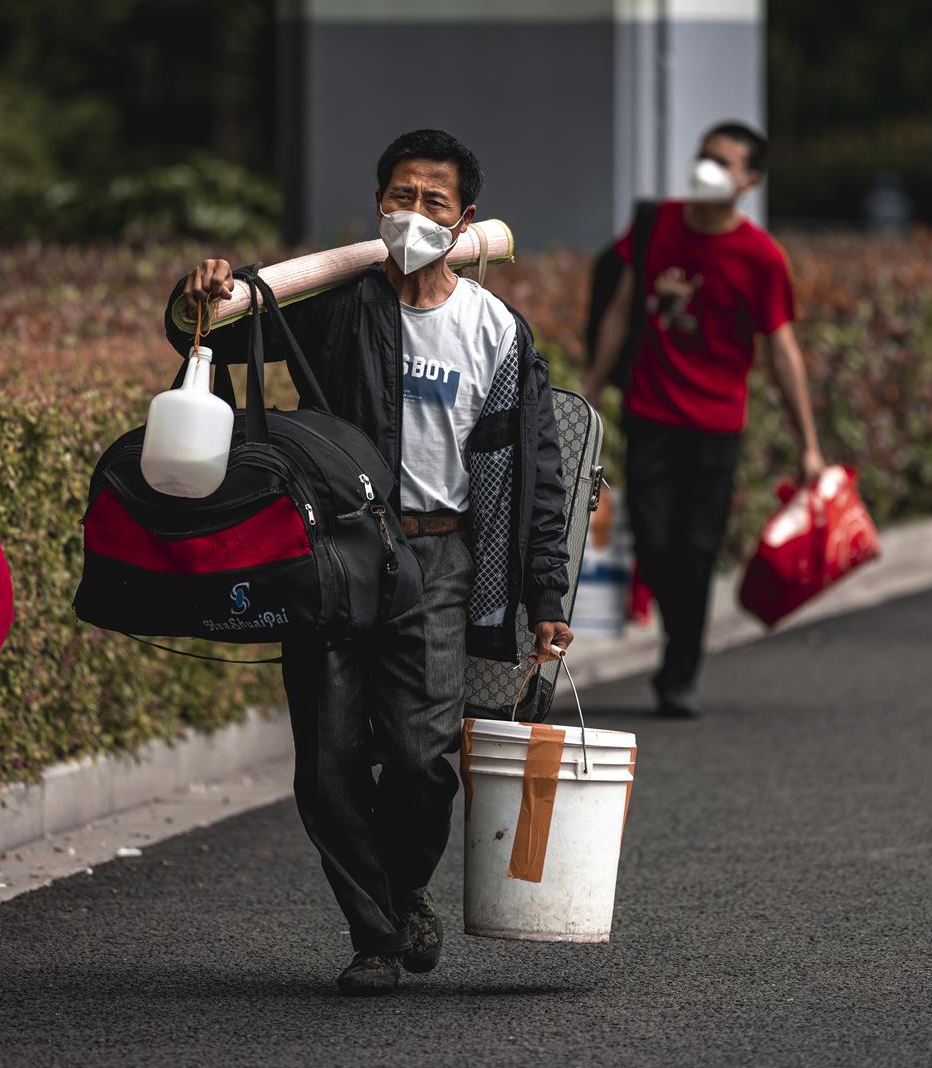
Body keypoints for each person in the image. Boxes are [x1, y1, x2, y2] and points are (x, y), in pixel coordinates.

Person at [169, 128, 572, 996]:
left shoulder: (495, 330)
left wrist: (546, 591)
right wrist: (198, 293)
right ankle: (379, 934)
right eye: (399, 195)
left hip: (442, 557)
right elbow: (215, 329)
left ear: (464, 219)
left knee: (426, 755)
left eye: (433, 201)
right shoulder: (335, 302)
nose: (412, 214)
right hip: (337, 556)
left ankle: (398, 893)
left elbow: (537, 471)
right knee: (327, 757)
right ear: (378, 203)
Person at [581, 121, 825, 718]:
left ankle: (680, 668)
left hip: (717, 426)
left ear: (750, 180)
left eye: (723, 162)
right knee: (658, 542)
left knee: (696, 548)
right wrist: (587, 394)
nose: (707, 169)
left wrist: (809, 445)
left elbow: (784, 350)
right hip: (650, 415)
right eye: (703, 156)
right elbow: (619, 308)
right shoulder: (657, 224)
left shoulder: (761, 257)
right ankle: (677, 644)